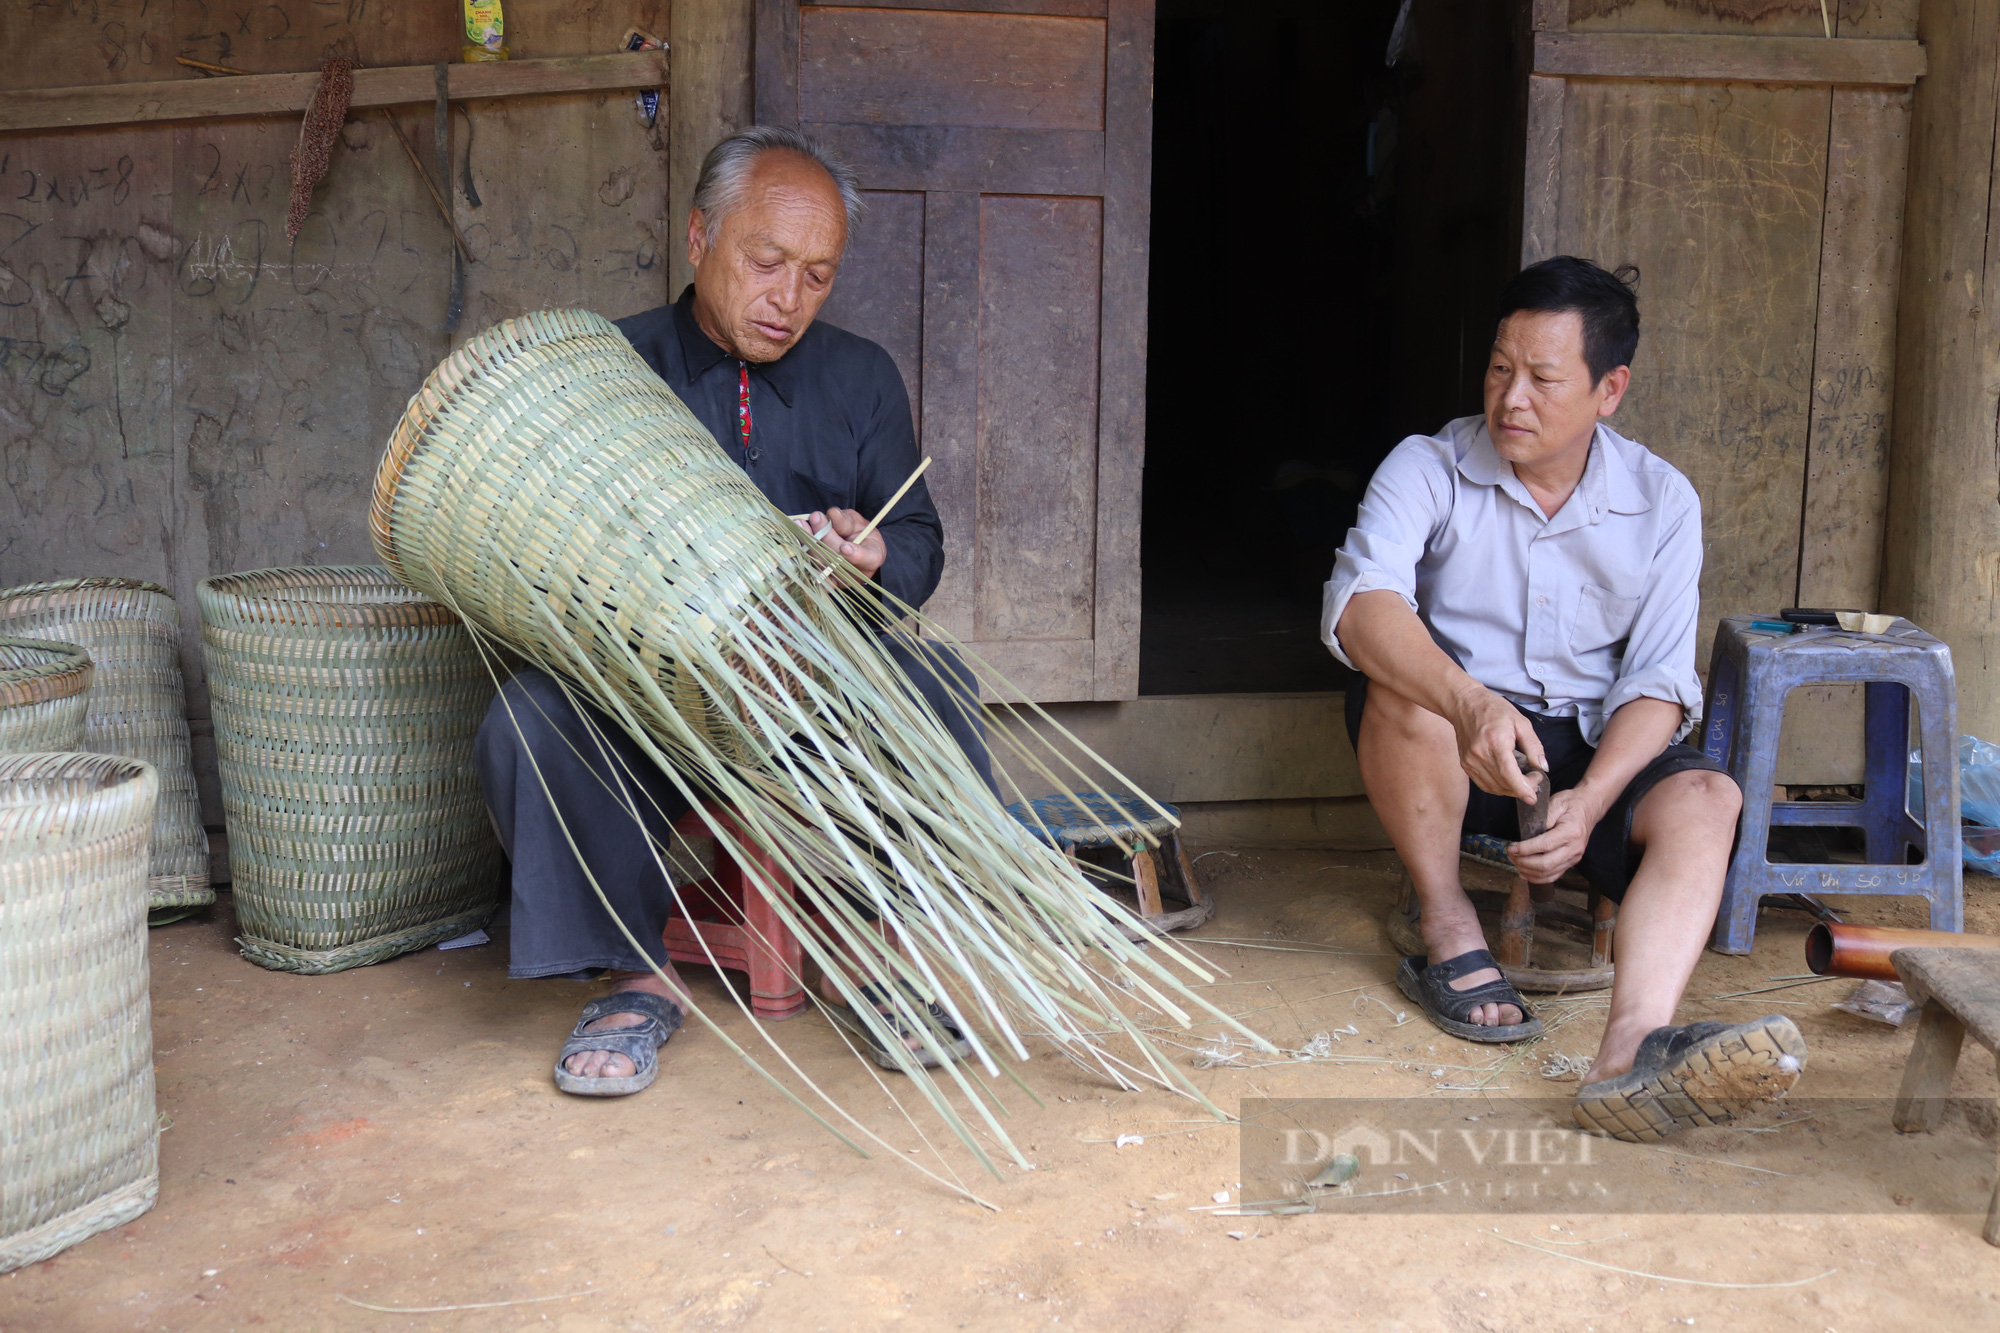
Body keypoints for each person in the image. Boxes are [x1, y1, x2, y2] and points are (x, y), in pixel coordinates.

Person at [476, 126, 987, 1098]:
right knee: (530, 723)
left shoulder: (861, 376)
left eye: (816, 276)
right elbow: (550, 562)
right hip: (653, 694)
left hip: (818, 689)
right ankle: (636, 971)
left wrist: (875, 558)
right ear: (698, 237)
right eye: (766, 262)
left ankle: (881, 951)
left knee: (940, 689)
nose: (787, 299)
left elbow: (915, 533)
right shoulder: (613, 368)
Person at [1321, 257, 1805, 1142]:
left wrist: (1596, 796)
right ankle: (1448, 919)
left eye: (1543, 378)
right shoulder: (1427, 466)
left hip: (1589, 745)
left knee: (1709, 798)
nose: (1512, 397)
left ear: (1609, 389)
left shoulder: (1661, 501)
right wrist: (1470, 703)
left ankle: (1629, 1053)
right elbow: (1361, 608)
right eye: (1501, 368)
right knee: (1406, 691)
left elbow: (1661, 679)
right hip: (1456, 745)